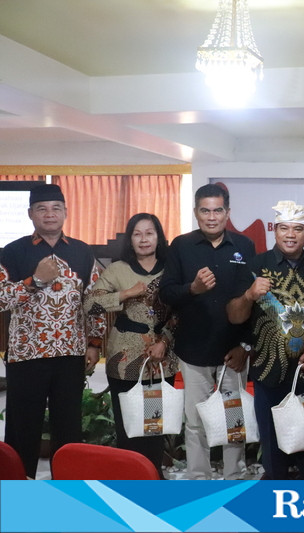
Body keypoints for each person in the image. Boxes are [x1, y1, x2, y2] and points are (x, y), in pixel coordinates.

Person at [0, 184, 106, 478]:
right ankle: (16, 493)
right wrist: (34, 280)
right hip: (26, 357)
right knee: (22, 429)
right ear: (30, 213)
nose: (50, 214)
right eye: (42, 208)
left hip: (70, 356)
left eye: (56, 208)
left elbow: (94, 301)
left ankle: (70, 492)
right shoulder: (13, 252)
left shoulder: (82, 252)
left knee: (69, 430)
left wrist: (94, 343)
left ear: (66, 213)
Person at [227, 201, 304, 480]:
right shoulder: (255, 266)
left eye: (298, 229)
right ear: (275, 231)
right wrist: (249, 295)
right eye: (284, 228)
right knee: (273, 452)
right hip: (268, 371)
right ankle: (275, 513)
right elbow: (235, 316)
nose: (290, 234)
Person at [159, 183, 256, 480]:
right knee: (196, 419)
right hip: (193, 348)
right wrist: (193, 288)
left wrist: (245, 345)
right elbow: (166, 293)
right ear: (196, 213)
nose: (211, 217)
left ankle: (234, 475)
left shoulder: (244, 247)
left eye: (217, 210)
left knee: (233, 417)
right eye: (205, 210)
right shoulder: (181, 245)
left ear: (227, 213)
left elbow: (253, 300)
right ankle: (198, 476)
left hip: (232, 351)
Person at [84, 213, 178, 478]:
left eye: (150, 233)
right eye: (137, 233)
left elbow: (182, 310)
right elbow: (89, 304)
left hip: (161, 358)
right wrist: (126, 294)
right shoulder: (117, 269)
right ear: (130, 238)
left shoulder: (172, 268)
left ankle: (153, 477)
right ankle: (129, 480)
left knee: (154, 425)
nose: (144, 239)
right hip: (123, 360)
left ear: (159, 237)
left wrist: (165, 341)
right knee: (128, 425)